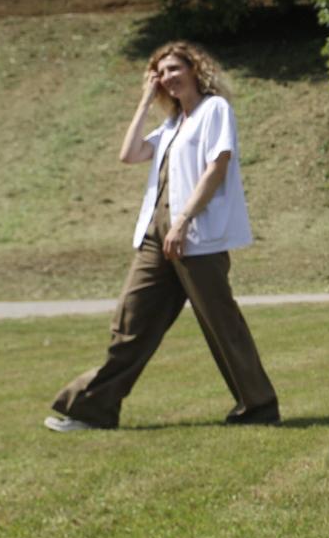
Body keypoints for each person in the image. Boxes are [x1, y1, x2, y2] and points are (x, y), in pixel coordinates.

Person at [46, 41, 280, 430]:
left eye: (174, 69)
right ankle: (93, 408)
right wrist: (144, 101)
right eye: (161, 72)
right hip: (156, 236)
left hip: (196, 235)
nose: (168, 78)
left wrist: (184, 220)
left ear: (194, 69)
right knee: (130, 322)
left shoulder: (213, 110)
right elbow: (130, 153)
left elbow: (217, 166)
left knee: (222, 325)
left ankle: (259, 407)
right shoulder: (172, 125)